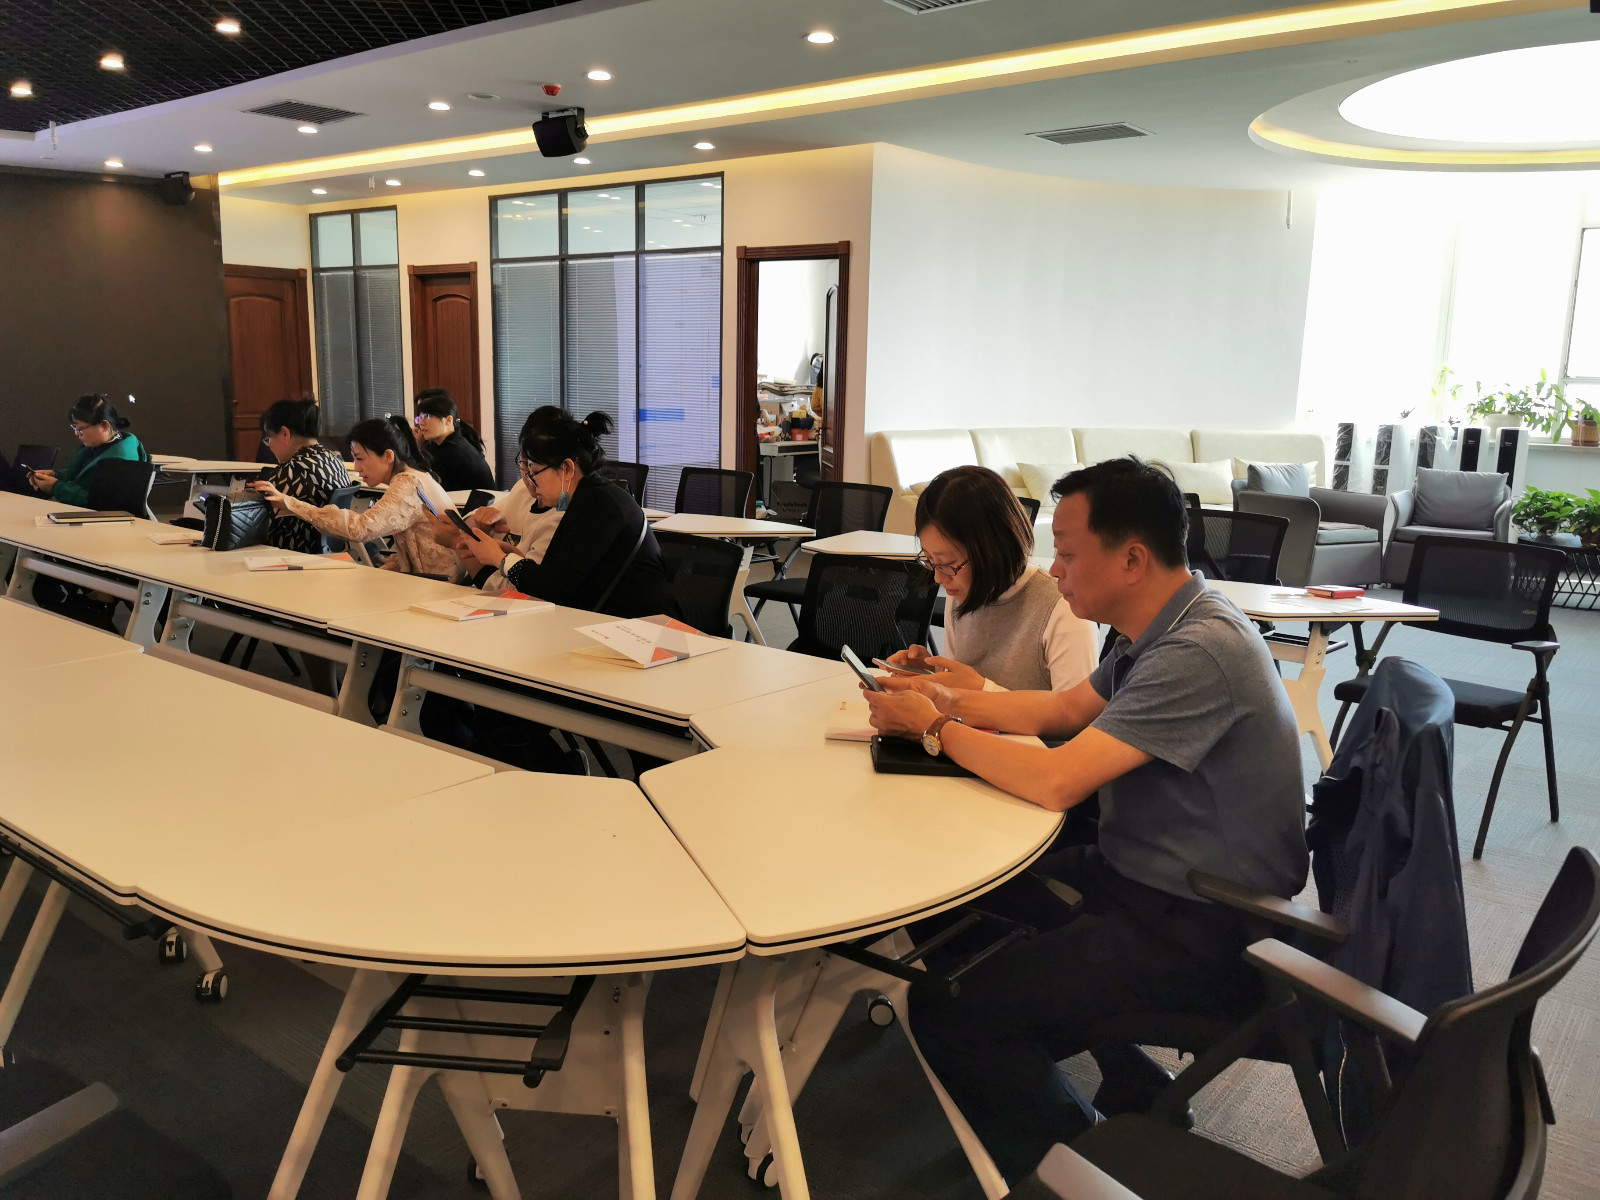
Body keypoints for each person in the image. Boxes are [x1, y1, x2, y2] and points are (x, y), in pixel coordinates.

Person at [862, 456, 1309, 1183]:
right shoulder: (1163, 627)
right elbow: (1063, 709)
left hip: (1203, 925)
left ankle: (1086, 1173)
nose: (1055, 569)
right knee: (955, 896)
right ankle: (1112, 1073)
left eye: (1067, 553)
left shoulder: (1199, 652)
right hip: (1143, 878)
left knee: (950, 1012)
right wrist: (945, 700)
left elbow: (1055, 780)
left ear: (1131, 559)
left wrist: (934, 730)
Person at [884, 465, 1096, 693]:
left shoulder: (1062, 610)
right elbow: (957, 694)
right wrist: (932, 673)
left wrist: (980, 689)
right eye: (929, 559)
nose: (938, 577)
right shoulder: (960, 594)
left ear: (993, 550)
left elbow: (1076, 714)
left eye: (946, 563)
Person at [455, 407, 677, 618]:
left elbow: (555, 589)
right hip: (608, 622)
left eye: (535, 472)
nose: (530, 482)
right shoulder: (586, 498)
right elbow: (553, 575)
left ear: (567, 468)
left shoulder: (601, 506)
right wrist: (508, 552)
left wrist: (499, 558)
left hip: (647, 628)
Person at [251, 415, 456, 577]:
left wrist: (291, 503)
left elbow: (360, 528)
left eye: (360, 458)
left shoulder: (407, 483)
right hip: (433, 578)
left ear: (388, 456)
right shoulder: (417, 476)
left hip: (437, 585)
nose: (356, 468)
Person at [257, 398, 351, 554]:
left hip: (294, 552)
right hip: (330, 550)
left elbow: (258, 520)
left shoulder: (293, 469)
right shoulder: (335, 459)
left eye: (269, 438)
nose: (269, 445)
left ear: (285, 433)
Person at [28, 394, 148, 506]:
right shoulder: (99, 447)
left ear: (104, 426)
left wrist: (55, 487)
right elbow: (83, 478)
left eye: (80, 429)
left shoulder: (121, 459)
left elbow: (101, 502)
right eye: (74, 428)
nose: (76, 433)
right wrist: (55, 475)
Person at [413, 388, 495, 492]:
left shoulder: (451, 450)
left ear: (448, 420)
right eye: (420, 418)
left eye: (427, 416)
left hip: (470, 502)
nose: (421, 423)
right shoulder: (447, 443)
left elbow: (423, 484)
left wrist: (413, 445)